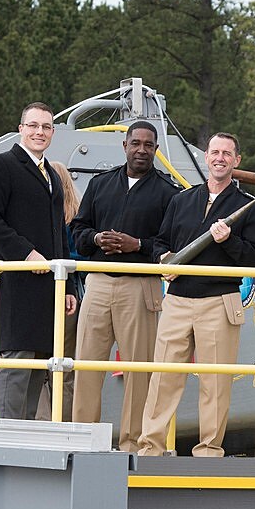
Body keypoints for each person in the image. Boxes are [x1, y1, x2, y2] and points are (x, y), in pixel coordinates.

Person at [137, 132, 255, 457]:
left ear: (236, 160)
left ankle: (208, 451)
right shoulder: (182, 200)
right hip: (177, 301)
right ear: (206, 157)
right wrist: (164, 259)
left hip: (219, 302)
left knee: (215, 383)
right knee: (163, 377)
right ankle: (150, 448)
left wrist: (228, 241)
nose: (220, 158)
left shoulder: (249, 207)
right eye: (215, 152)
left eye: (227, 153)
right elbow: (161, 242)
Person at [68, 121, 179, 448]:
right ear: (125, 146)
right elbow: (78, 230)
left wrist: (138, 245)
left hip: (140, 287)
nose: (141, 150)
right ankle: (84, 441)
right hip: (98, 284)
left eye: (148, 145)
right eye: (135, 143)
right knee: (86, 366)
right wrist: (96, 238)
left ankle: (134, 445)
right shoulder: (100, 184)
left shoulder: (168, 193)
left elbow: (171, 245)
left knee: (139, 372)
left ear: (155, 149)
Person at [0, 103, 76, 419]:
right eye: (33, 125)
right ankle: (5, 442)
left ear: (53, 132)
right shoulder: (0, 166)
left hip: (47, 292)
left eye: (46, 127)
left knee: (36, 372)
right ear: (21, 129)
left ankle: (26, 442)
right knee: (15, 371)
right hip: (15, 289)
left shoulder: (52, 176)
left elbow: (58, 234)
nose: (39, 132)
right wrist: (26, 253)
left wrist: (68, 285)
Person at [35, 160, 87, 420]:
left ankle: (43, 423)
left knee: (39, 366)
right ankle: (63, 423)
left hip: (52, 295)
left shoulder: (56, 217)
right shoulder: (79, 217)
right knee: (64, 367)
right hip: (70, 297)